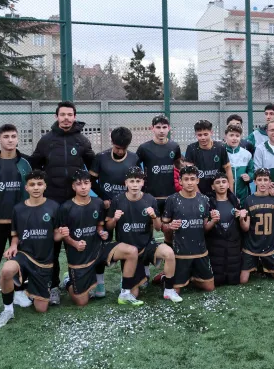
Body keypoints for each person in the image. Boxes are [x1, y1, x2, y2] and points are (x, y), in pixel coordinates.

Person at [29, 101, 95, 304]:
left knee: (78, 242)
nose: (66, 118)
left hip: (75, 202)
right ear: (56, 116)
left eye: (70, 115)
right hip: (53, 201)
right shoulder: (46, 140)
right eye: (62, 114)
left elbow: (93, 168)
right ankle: (53, 286)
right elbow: (35, 166)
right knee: (54, 245)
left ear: (74, 117)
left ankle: (79, 282)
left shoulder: (82, 140)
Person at [59, 170, 144, 307]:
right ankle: (68, 280)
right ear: (73, 187)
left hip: (99, 248)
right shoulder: (66, 207)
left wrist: (101, 232)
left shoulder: (98, 202)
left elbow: (99, 225)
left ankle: (125, 292)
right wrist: (74, 243)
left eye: (86, 183)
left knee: (131, 251)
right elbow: (63, 235)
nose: (83, 187)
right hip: (80, 256)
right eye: (79, 184)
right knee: (81, 302)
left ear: (90, 184)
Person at [0, 171, 64, 328]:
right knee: (6, 270)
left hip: (44, 261)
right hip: (24, 256)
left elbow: (56, 236)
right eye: (32, 185)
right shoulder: (18, 209)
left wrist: (62, 234)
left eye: (39, 184)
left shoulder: (54, 207)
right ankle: (8, 310)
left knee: (41, 309)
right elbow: (15, 236)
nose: (36, 188)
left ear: (45, 186)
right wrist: (13, 246)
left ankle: (32, 289)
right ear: (26, 188)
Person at [106, 167, 182, 302]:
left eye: (138, 181)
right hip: (129, 251)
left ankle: (169, 290)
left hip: (147, 246)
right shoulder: (117, 200)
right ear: (126, 183)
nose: (135, 185)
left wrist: (154, 216)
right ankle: (128, 284)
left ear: (142, 182)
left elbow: (158, 228)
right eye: (131, 181)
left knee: (169, 253)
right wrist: (114, 219)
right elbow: (109, 227)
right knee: (134, 293)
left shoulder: (150, 199)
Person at [0, 124, 33, 313]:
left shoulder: (26, 162)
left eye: (13, 136)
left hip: (20, 223)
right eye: (6, 136)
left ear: (18, 139)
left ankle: (19, 291)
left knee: (21, 259)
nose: (10, 140)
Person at [90, 126, 139, 296]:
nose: (120, 151)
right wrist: (104, 197)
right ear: (112, 142)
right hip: (106, 208)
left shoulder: (134, 158)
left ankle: (130, 279)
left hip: (127, 208)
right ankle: (100, 284)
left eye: (124, 148)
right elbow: (92, 181)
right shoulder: (101, 157)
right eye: (117, 148)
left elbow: (138, 182)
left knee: (131, 242)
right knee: (102, 243)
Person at [162, 166, 215, 293]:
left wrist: (214, 221)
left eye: (192, 179)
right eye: (186, 179)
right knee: (175, 291)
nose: (190, 182)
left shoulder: (204, 200)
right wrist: (170, 226)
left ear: (197, 180)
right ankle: (165, 277)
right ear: (180, 181)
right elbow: (163, 227)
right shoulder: (172, 200)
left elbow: (204, 228)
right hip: (180, 253)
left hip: (200, 252)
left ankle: (191, 277)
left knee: (210, 287)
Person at [136, 115, 182, 225]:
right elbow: (136, 169)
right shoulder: (144, 148)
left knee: (169, 228)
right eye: (158, 127)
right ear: (152, 128)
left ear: (169, 128)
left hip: (170, 196)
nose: (161, 131)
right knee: (149, 226)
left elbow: (178, 165)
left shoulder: (174, 146)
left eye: (164, 127)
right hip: (150, 196)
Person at [206, 173, 244, 286]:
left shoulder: (236, 202)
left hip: (233, 245)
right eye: (217, 182)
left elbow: (243, 227)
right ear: (213, 187)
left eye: (224, 182)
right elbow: (204, 229)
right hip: (215, 245)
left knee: (234, 280)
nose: (221, 185)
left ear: (228, 184)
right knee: (217, 281)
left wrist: (241, 217)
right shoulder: (208, 204)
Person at [184, 119, 233, 196]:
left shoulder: (220, 147)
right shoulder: (191, 148)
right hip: (199, 191)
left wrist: (231, 192)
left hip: (219, 193)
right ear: (195, 134)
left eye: (205, 134)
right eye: (199, 135)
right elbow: (189, 174)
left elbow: (228, 169)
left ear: (211, 133)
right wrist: (199, 196)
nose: (203, 138)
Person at [224, 123, 254, 206]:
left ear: (240, 137)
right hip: (224, 195)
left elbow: (252, 172)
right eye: (231, 135)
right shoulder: (221, 152)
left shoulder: (247, 154)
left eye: (237, 136)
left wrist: (249, 177)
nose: (234, 138)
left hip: (243, 195)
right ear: (225, 137)